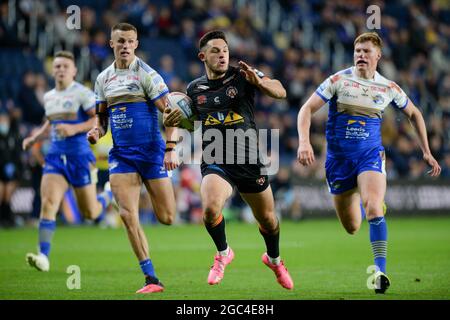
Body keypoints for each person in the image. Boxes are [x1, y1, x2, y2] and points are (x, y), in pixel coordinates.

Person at [297, 32, 441, 294]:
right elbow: (306, 109)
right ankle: (365, 202)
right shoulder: (338, 80)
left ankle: (380, 272)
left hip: (370, 156)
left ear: (378, 56)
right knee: (352, 227)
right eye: (357, 51)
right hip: (339, 162)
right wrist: (304, 142)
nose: (361, 55)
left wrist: (426, 151)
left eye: (366, 51)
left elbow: (415, 114)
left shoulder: (388, 87)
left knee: (374, 208)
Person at [164, 30, 294, 290]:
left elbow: (280, 92)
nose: (222, 54)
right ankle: (223, 253)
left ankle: (274, 259)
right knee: (211, 208)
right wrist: (171, 139)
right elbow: (182, 120)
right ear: (203, 56)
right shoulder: (194, 89)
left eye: (225, 50)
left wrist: (259, 82)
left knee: (267, 219)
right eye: (215, 51)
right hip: (216, 158)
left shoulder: (242, 75)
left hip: (248, 158)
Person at [87, 23, 179, 294]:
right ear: (111, 44)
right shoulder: (103, 79)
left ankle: (110, 193)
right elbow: (101, 119)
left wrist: (170, 147)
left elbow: (170, 112)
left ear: (136, 44)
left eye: (130, 41)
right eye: (120, 41)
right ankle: (151, 278)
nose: (125, 45)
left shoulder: (147, 75)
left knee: (168, 217)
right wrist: (96, 131)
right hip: (122, 156)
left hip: (151, 153)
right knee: (128, 216)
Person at [22, 51, 114, 271]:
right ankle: (43, 255)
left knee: (90, 213)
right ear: (52, 70)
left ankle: (109, 194)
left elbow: (97, 119)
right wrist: (35, 136)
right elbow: (50, 121)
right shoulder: (49, 96)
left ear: (74, 71)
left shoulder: (82, 93)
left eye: (65, 66)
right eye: (57, 66)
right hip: (55, 157)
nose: (61, 69)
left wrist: (73, 128)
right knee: (49, 203)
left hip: (80, 158)